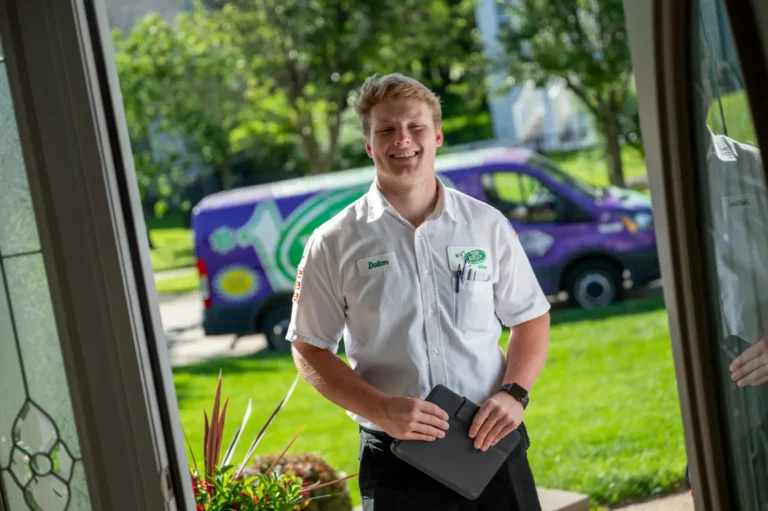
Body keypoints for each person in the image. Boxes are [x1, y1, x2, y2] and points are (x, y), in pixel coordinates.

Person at [286, 73, 551, 510]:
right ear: (369, 145)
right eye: (386, 130)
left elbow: (530, 316)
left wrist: (515, 393)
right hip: (395, 459)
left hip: (490, 442)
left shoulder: (486, 225)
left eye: (415, 127)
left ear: (438, 135)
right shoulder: (333, 242)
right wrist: (380, 408)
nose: (402, 140)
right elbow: (308, 348)